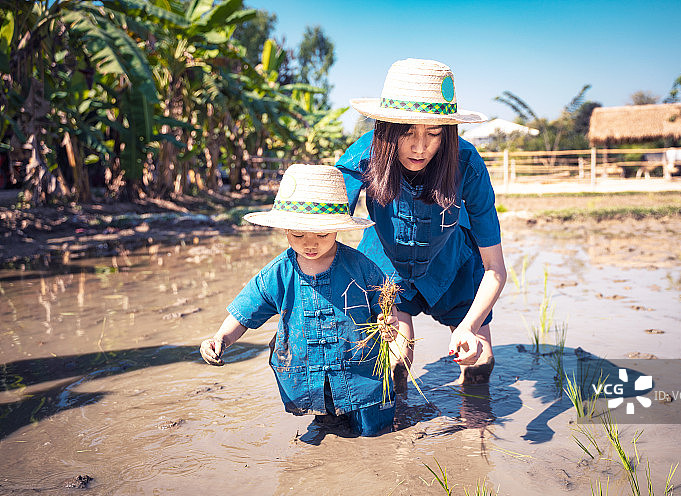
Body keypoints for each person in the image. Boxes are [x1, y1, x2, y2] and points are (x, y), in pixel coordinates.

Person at [336, 58, 507, 391]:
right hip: (387, 261)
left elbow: (495, 268)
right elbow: (320, 231)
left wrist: (469, 327)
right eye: (407, 133)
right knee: (397, 360)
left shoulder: (467, 163)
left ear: (448, 133)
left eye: (433, 133)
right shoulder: (363, 155)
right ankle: (398, 432)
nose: (420, 147)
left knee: (480, 360)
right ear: (387, 130)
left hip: (453, 262)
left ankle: (475, 425)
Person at [200, 164, 398, 437]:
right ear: (285, 231)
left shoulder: (360, 267)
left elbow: (385, 305)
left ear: (338, 230)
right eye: (299, 235)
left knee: (376, 432)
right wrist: (221, 338)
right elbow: (245, 311)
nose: (310, 244)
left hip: (363, 374)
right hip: (310, 376)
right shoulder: (278, 272)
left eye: (322, 235)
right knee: (327, 429)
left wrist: (389, 322)